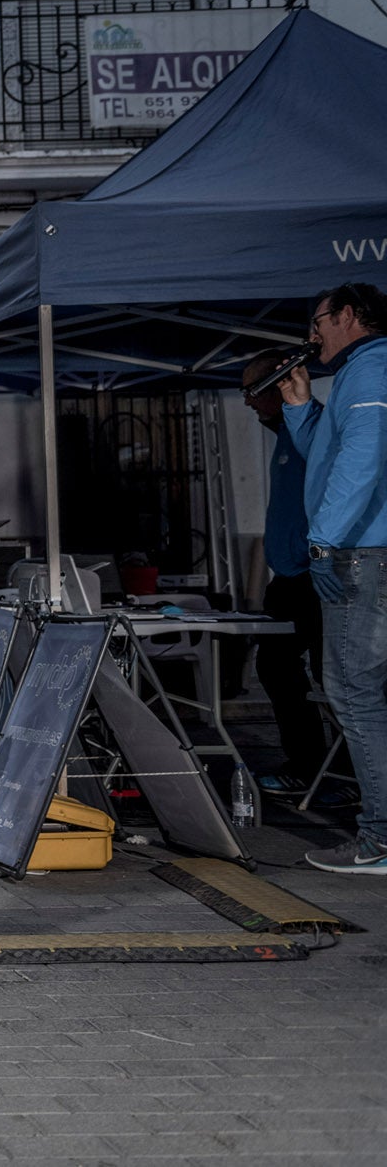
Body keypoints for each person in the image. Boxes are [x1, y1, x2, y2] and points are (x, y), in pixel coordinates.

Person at [279, 282, 387, 875]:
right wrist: (298, 406)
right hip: (367, 549)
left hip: (363, 555)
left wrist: (325, 539)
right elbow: (329, 451)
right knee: (368, 696)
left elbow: (361, 461)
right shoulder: (358, 376)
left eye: (318, 320)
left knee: (355, 695)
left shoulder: (372, 372)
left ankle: (379, 838)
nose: (312, 333)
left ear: (348, 315)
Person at [240, 350, 339, 802]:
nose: (246, 402)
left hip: (316, 574)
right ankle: (308, 764)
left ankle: (344, 775)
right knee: (276, 665)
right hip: (289, 576)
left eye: (251, 391)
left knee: (332, 675)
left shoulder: (315, 430)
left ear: (280, 386)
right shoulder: (284, 433)